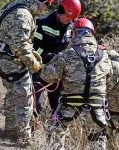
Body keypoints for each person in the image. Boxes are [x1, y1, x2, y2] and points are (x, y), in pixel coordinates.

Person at [0, 0, 55, 146]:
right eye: (45, 5)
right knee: (25, 98)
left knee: (13, 93)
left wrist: (31, 52)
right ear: (41, 1)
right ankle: (24, 139)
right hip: (11, 61)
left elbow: (14, 38)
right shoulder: (24, 14)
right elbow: (19, 45)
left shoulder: (16, 4)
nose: (42, 10)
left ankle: (10, 130)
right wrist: (33, 63)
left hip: (2, 57)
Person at [40, 18, 112, 150]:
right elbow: (110, 79)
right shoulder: (104, 55)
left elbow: (46, 75)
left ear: (73, 34)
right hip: (97, 108)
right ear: (92, 34)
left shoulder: (67, 54)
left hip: (70, 107)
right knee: (97, 142)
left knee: (56, 136)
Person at [32, 0, 81, 120]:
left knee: (60, 108)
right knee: (36, 105)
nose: (70, 20)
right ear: (61, 11)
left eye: (72, 18)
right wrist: (51, 57)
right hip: (39, 72)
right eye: (68, 17)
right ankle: (31, 130)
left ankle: (53, 133)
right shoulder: (42, 23)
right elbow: (33, 48)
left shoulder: (72, 27)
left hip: (59, 75)